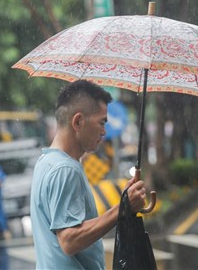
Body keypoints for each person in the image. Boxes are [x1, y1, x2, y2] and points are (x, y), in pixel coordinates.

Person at [31, 80, 147, 269]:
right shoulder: (66, 170)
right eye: (101, 122)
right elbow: (69, 241)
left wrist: (125, 200)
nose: (104, 131)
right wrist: (123, 208)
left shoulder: (46, 162)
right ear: (78, 121)